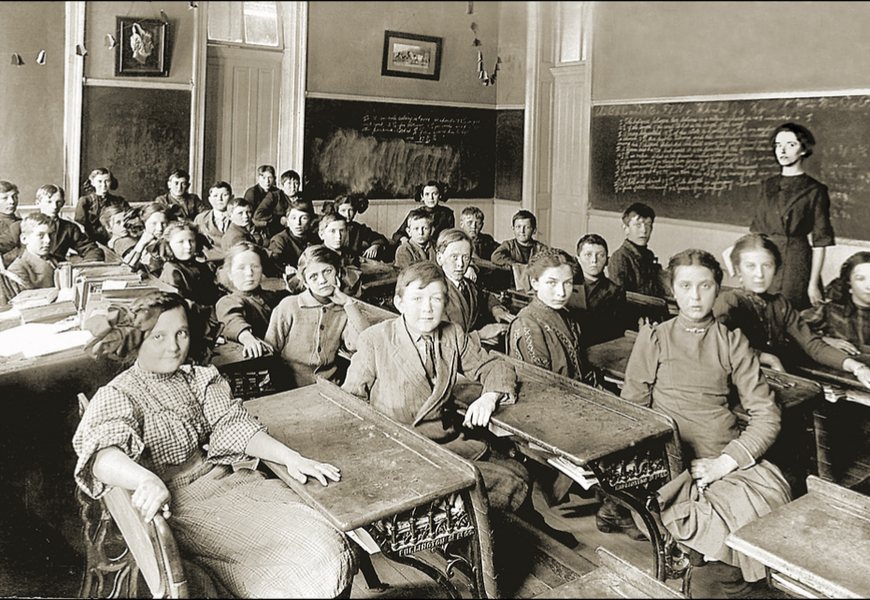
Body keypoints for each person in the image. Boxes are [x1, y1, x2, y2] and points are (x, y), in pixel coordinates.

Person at [73, 291, 356, 598]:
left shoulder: (199, 378)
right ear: (136, 340)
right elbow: (102, 456)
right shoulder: (120, 393)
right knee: (317, 548)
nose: (173, 346)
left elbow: (233, 425)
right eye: (158, 337)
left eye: (181, 333)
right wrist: (146, 479)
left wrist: (290, 457)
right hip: (182, 506)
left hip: (228, 483)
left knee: (326, 530)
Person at [621, 248, 792, 597]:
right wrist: (665, 464)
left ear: (718, 289)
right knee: (722, 553)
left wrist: (723, 464)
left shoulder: (732, 342)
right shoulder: (653, 338)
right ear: (672, 289)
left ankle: (733, 579)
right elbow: (631, 415)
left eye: (705, 286)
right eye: (685, 286)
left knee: (771, 505)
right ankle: (717, 577)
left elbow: (766, 414)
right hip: (671, 463)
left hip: (723, 459)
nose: (695, 296)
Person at [342, 260, 530, 516]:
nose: (428, 309)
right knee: (508, 482)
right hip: (401, 452)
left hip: (445, 442)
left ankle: (492, 527)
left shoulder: (452, 334)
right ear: (399, 303)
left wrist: (489, 396)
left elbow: (495, 366)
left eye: (436, 299)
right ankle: (461, 533)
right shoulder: (375, 340)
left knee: (520, 471)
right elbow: (349, 408)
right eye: (417, 299)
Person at [715, 233, 870, 388]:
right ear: (738, 270)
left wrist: (857, 367)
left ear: (776, 269)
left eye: (767, 266)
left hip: (771, 379)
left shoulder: (780, 304)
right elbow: (714, 347)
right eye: (750, 266)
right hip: (732, 383)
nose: (759, 274)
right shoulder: (729, 301)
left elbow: (812, 346)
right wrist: (768, 358)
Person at [748, 123, 834, 310]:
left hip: (797, 263)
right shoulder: (767, 185)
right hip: (766, 259)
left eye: (791, 144)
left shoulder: (815, 190)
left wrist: (812, 284)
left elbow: (820, 242)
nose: (783, 151)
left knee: (791, 316)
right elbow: (757, 232)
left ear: (803, 149)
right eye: (778, 145)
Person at [265, 245, 370, 388]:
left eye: (327, 271)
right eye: (313, 276)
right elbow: (270, 349)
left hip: (329, 386)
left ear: (337, 272)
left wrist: (348, 303)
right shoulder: (289, 306)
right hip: (289, 387)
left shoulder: (344, 309)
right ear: (306, 282)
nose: (322, 280)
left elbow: (362, 343)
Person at [508, 248, 597, 386]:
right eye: (552, 283)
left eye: (567, 283)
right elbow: (540, 388)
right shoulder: (527, 325)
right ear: (535, 283)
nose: (561, 293)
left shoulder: (567, 315)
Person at [435, 228, 514, 346]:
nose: (461, 264)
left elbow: (485, 297)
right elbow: (442, 341)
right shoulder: (434, 293)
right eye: (454, 257)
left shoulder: (469, 285)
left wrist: (496, 309)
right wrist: (481, 335)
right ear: (440, 258)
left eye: (466, 257)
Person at [216, 242, 288, 359]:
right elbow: (232, 321)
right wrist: (247, 338)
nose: (249, 273)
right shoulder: (228, 301)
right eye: (241, 268)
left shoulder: (274, 296)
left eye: (255, 266)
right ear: (229, 274)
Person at [2, 184, 103, 263]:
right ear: (38, 203)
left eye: (58, 202)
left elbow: (91, 249)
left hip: (56, 272)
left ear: (63, 203)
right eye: (49, 202)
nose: (54, 206)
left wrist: (88, 264)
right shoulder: (19, 226)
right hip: (29, 274)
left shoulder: (69, 228)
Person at [803, 252, 870, 356]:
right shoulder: (831, 310)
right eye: (860, 279)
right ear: (849, 283)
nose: (869, 286)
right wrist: (825, 340)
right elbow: (792, 329)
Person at [571, 233, 628, 346]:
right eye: (588, 254)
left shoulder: (615, 292)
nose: (594, 260)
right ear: (578, 259)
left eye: (600, 255)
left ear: (607, 260)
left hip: (598, 349)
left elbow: (616, 332)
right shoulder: (567, 285)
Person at [608, 202, 667, 298]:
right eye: (638, 225)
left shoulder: (648, 255)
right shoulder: (619, 258)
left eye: (648, 225)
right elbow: (620, 299)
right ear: (626, 229)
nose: (644, 230)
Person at [159, 221, 222, 309]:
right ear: (169, 245)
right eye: (181, 242)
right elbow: (181, 304)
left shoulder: (203, 266)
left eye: (191, 241)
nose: (188, 246)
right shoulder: (172, 270)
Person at [323, 194, 389, 260]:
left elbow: (379, 238)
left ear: (355, 211)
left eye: (350, 210)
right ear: (337, 211)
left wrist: (375, 246)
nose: (347, 214)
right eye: (343, 210)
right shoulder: (329, 226)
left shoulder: (358, 229)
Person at [75, 167, 130, 245]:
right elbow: (81, 225)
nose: (104, 185)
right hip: (92, 242)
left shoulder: (119, 201)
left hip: (117, 240)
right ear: (93, 183)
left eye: (107, 181)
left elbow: (130, 219)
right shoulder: (85, 201)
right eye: (100, 181)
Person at [392, 180, 454, 246]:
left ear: (440, 195)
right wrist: (404, 240)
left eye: (435, 194)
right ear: (422, 197)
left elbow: (450, 236)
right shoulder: (414, 214)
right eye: (427, 194)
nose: (431, 198)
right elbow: (397, 234)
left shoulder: (447, 214)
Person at [254, 169, 313, 238]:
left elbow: (311, 215)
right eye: (289, 183)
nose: (293, 187)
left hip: (299, 232)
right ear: (282, 185)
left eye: (296, 183)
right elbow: (258, 214)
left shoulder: (304, 197)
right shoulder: (274, 196)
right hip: (277, 232)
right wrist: (278, 220)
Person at [7, 212, 57, 289]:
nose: (48, 240)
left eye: (50, 235)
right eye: (41, 235)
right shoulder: (17, 269)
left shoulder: (56, 260)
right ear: (24, 239)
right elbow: (27, 299)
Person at [268, 200, 314, 274]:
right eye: (293, 218)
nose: (298, 223)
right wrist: (285, 269)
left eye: (303, 218)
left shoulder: (315, 238)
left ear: (310, 221)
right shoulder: (279, 240)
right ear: (288, 222)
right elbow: (273, 263)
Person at [123, 203, 169, 274]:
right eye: (153, 224)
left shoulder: (170, 243)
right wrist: (141, 244)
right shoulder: (142, 242)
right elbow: (125, 269)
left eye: (164, 223)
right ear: (144, 224)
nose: (160, 228)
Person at [194, 181, 233, 248]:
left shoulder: (241, 217)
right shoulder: (200, 219)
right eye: (215, 196)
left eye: (224, 195)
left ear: (232, 197)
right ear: (210, 199)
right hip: (210, 257)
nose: (219, 199)